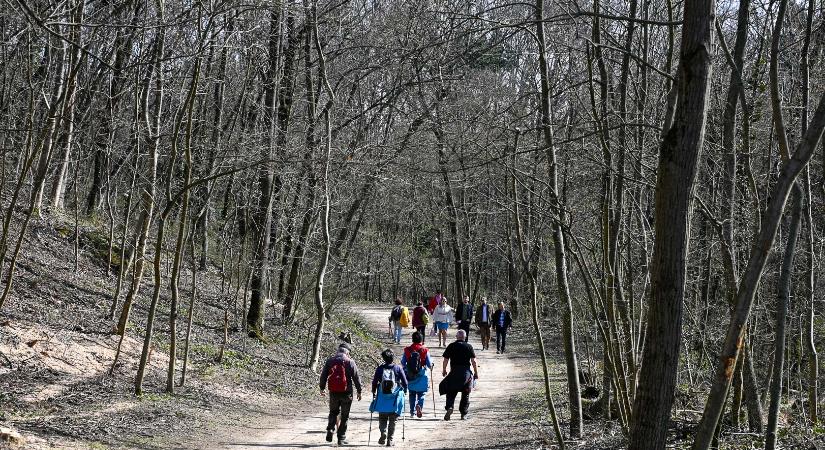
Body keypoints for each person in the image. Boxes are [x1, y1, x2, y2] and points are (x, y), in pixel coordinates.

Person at [319, 343, 363, 445]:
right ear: (347, 352)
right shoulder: (350, 362)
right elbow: (356, 377)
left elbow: (323, 375)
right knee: (344, 415)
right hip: (347, 393)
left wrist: (322, 388)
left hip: (334, 392)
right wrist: (359, 391)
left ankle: (330, 428)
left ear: (338, 351)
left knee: (333, 412)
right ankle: (341, 438)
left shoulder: (330, 361)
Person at [370, 349, 408, 447]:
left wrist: (374, 391)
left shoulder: (380, 369)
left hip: (382, 397)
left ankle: (383, 432)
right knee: (393, 419)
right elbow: (405, 382)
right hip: (395, 398)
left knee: (382, 418)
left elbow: (374, 382)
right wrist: (405, 390)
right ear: (392, 357)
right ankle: (390, 440)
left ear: (383, 358)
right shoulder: (398, 368)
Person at [438, 329, 478, 420]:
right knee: (466, 394)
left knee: (451, 392)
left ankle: (450, 407)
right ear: (465, 337)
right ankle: (463, 414)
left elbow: (445, 360)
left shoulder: (451, 346)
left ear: (456, 337)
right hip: (466, 375)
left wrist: (444, 370)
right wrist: (476, 373)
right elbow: (474, 361)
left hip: (454, 373)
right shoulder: (469, 346)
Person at [401, 332, 433, 418]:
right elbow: (429, 364)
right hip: (421, 374)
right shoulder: (425, 350)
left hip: (410, 374)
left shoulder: (407, 350)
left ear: (412, 339)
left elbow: (403, 363)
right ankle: (419, 405)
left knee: (412, 393)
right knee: (421, 393)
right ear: (421, 340)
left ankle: (412, 412)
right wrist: (431, 365)